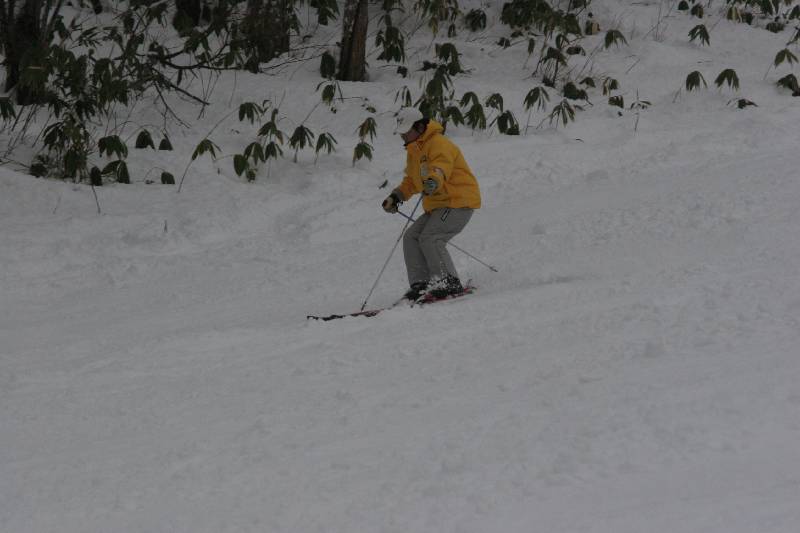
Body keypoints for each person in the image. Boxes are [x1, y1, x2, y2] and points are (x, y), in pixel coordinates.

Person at [382, 115, 481, 301]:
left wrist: (434, 180)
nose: (403, 136)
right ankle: (421, 284)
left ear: (419, 127)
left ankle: (448, 282)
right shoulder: (414, 151)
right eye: (401, 133)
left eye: (406, 132)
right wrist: (396, 196)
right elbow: (412, 181)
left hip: (458, 202)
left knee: (431, 238)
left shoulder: (438, 143)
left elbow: (441, 166)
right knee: (411, 237)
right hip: (438, 206)